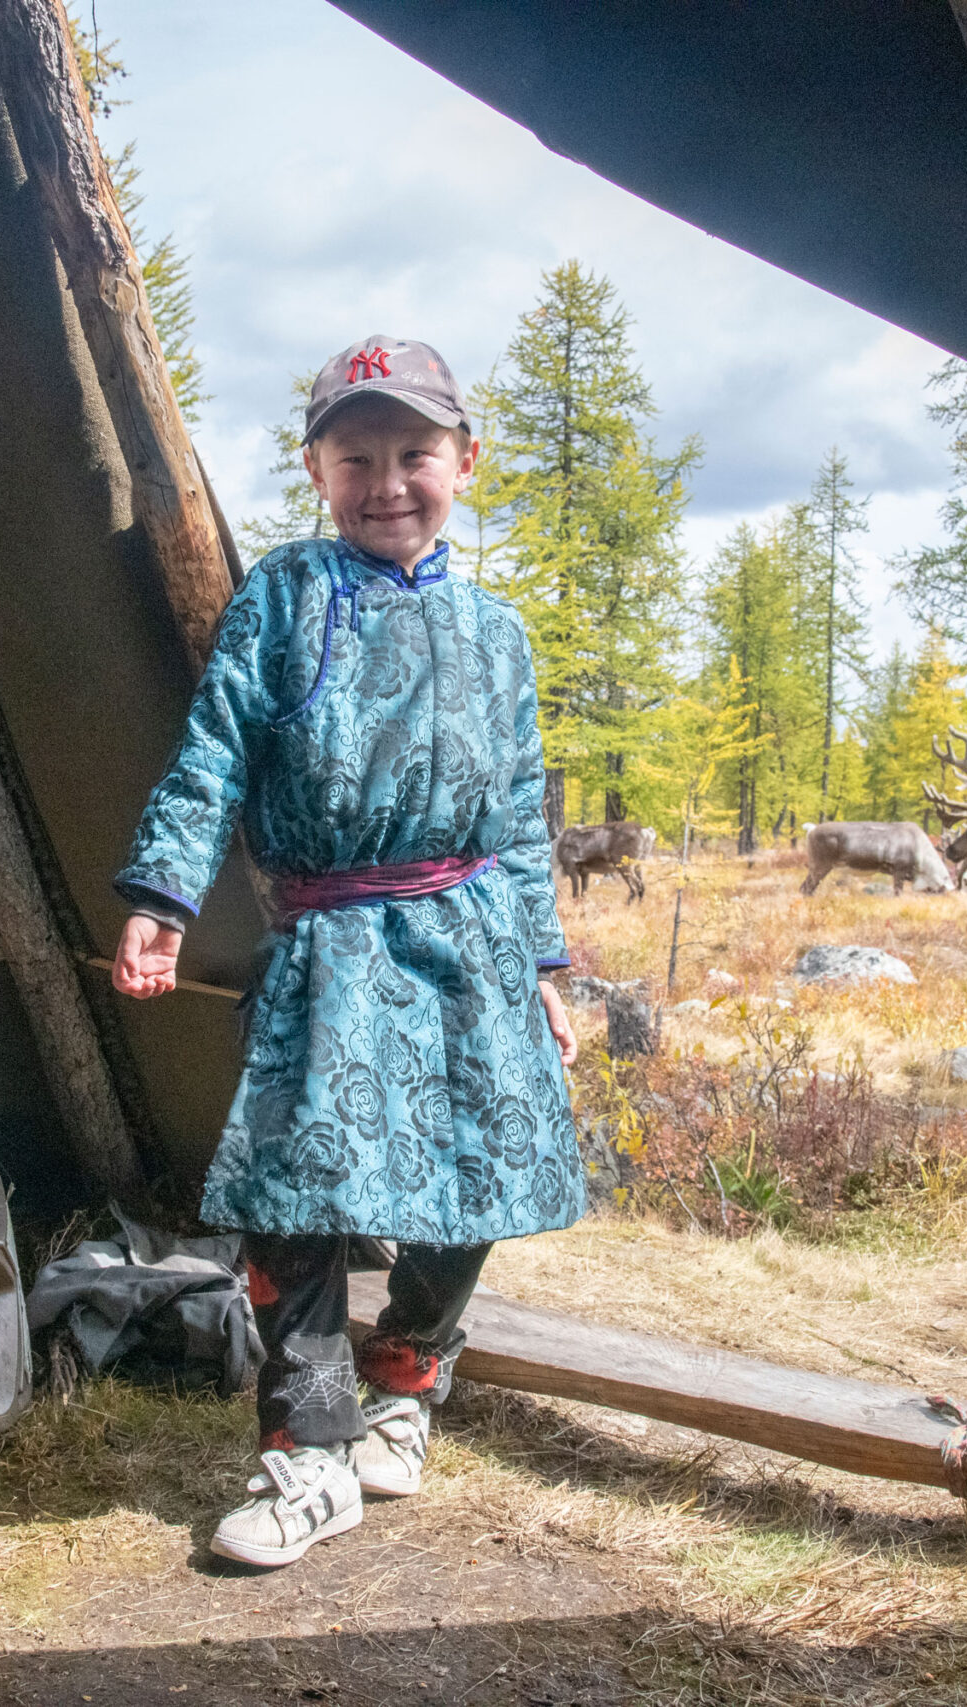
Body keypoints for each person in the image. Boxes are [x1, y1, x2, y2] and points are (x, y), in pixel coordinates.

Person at [111, 337, 581, 1569]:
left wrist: (540, 961)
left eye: (414, 453)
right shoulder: (283, 596)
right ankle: (306, 1457)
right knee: (295, 1195)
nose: (387, 481)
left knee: (471, 1179)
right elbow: (214, 752)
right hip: (332, 939)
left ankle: (406, 1389)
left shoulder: (499, 633)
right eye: (355, 455)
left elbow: (520, 809)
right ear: (315, 468)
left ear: (464, 463)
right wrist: (164, 891)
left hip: (474, 938)